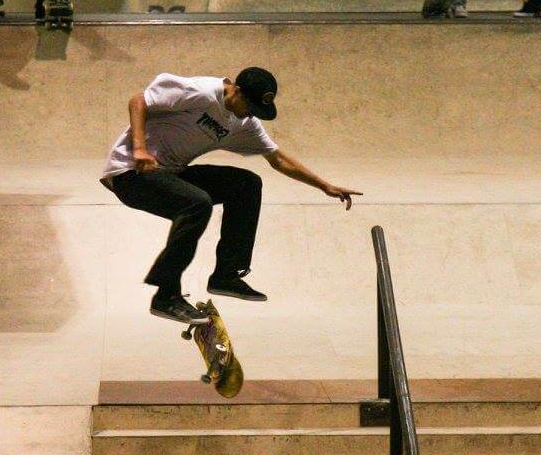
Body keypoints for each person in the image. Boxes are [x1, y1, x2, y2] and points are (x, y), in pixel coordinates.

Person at [101, 69, 362, 324]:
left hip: (171, 173)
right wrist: (139, 149)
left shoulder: (244, 124)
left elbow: (278, 159)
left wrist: (324, 186)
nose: (250, 114)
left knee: (246, 184)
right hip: (131, 173)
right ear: (235, 91)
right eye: (249, 106)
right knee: (197, 203)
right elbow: (138, 101)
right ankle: (166, 295)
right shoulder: (203, 92)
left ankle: (226, 275)